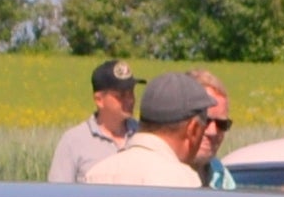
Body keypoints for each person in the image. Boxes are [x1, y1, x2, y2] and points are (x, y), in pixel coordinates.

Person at [88, 71, 229, 187]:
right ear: (193, 129)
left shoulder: (95, 174)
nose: (212, 131)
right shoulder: (183, 180)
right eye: (206, 123)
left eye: (222, 124)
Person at [49, 60, 138, 183]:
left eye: (131, 92)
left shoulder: (144, 134)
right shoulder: (73, 141)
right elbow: (57, 195)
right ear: (99, 100)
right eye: (121, 95)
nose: (130, 100)